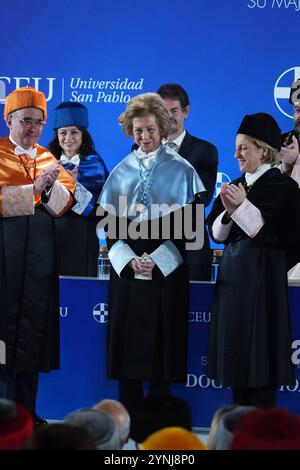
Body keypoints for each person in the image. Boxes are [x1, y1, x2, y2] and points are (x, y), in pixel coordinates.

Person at [97, 92, 205, 421]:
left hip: (166, 277)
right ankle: (126, 429)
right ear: (131, 130)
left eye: (150, 129)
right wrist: (127, 259)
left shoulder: (183, 171)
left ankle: (158, 431)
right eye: (138, 130)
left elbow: (191, 228)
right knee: (128, 362)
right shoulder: (120, 171)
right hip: (127, 277)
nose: (145, 137)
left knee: (161, 359)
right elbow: (109, 227)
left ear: (164, 127)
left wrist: (157, 261)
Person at [206, 112, 298, 407]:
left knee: (261, 365)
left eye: (243, 147)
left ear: (263, 150)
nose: (236, 154)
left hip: (265, 284)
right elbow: (216, 234)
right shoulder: (234, 184)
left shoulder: (283, 187)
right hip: (232, 282)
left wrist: (241, 207)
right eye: (236, 148)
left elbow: (277, 235)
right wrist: (231, 210)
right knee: (236, 367)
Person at [0, 87, 75, 424]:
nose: (32, 129)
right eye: (26, 121)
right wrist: (30, 191)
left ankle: (27, 413)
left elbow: (61, 207)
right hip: (5, 259)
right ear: (9, 120)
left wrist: (48, 188)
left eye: (39, 123)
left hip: (39, 262)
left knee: (33, 336)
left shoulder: (48, 158)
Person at [156, 83, 218, 280]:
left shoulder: (205, 150)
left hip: (192, 248)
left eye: (174, 110)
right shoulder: (141, 149)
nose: (169, 117)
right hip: (153, 246)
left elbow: (203, 198)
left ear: (186, 111)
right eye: (163, 111)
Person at [48, 101, 108, 277]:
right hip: (51, 235)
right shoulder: (45, 162)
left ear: (83, 135)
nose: (68, 138)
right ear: (57, 135)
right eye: (63, 132)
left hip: (82, 234)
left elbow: (99, 209)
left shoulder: (94, 164)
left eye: (74, 132)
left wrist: (74, 186)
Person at [280, 79, 300, 279]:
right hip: (284, 242)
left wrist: (298, 162)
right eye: (297, 110)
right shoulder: (280, 142)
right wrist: (284, 169)